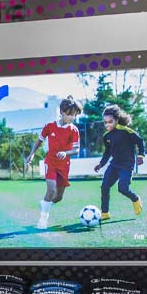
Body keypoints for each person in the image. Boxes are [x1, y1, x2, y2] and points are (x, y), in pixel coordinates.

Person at [25, 96, 83, 229]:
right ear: (62, 112)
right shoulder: (49, 126)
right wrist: (32, 154)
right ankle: (42, 221)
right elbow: (39, 140)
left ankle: (45, 204)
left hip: (64, 166)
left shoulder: (74, 130)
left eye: (75, 115)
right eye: (70, 114)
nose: (72, 117)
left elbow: (76, 150)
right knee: (51, 190)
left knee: (58, 197)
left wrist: (65, 153)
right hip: (50, 162)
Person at [93, 103, 145, 220]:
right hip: (114, 165)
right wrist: (101, 164)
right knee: (104, 187)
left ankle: (135, 199)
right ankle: (105, 213)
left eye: (110, 121)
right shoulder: (106, 136)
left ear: (117, 120)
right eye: (105, 122)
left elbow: (140, 141)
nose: (107, 124)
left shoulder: (126, 131)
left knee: (122, 188)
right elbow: (107, 152)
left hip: (127, 165)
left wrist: (141, 155)